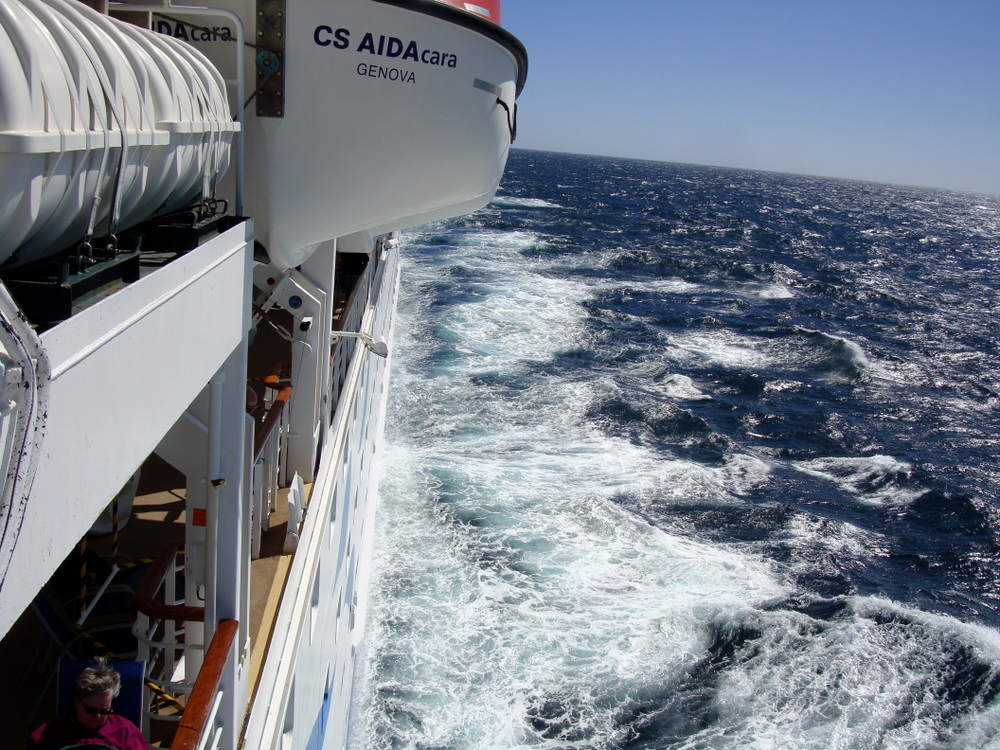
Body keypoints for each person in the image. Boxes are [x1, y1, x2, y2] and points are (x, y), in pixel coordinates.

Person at [25, 656, 147, 750]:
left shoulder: (125, 731)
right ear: (77, 702)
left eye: (105, 710)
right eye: (91, 710)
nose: (98, 716)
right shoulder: (48, 735)